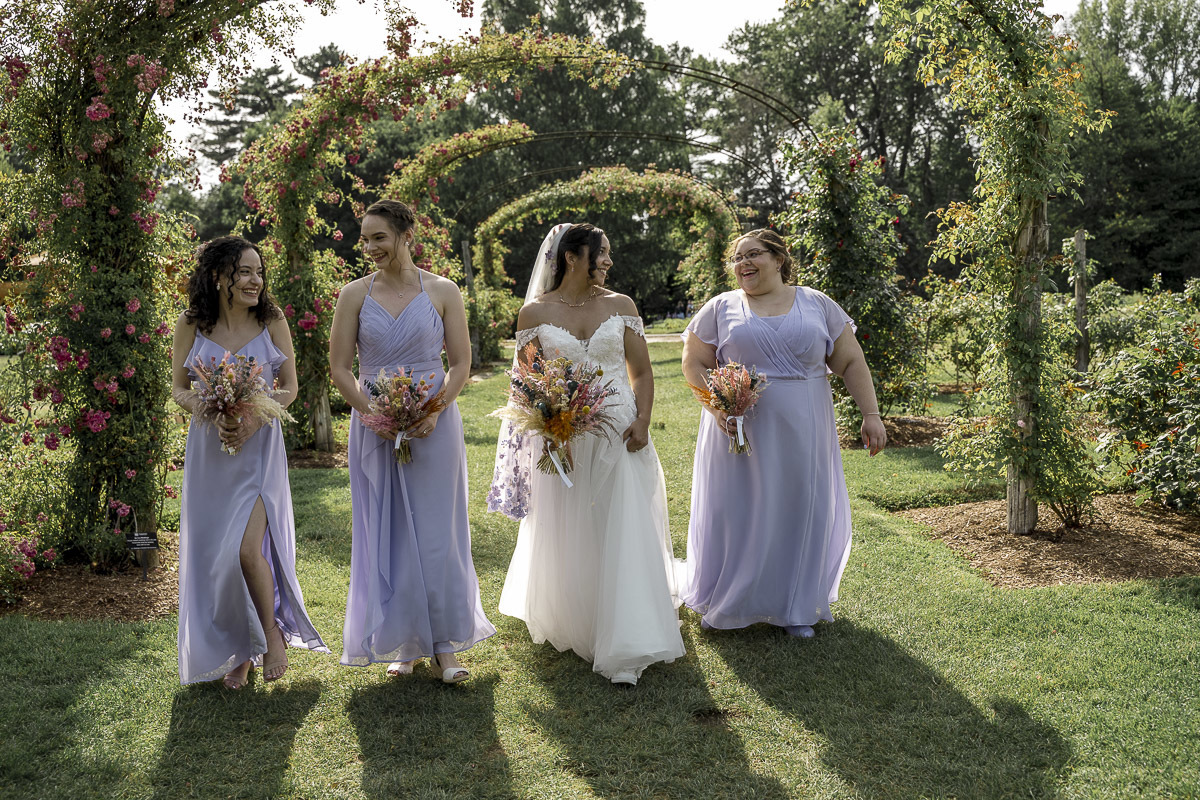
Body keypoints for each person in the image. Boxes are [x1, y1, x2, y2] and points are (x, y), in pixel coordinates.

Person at [488, 223, 685, 686]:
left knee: (624, 521)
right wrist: (550, 430)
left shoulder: (622, 306)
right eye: (603, 253)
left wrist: (643, 419)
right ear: (572, 256)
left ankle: (627, 632)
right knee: (573, 523)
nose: (609, 262)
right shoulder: (533, 313)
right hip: (564, 436)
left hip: (620, 430)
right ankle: (581, 616)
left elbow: (641, 372)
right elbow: (527, 383)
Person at [680, 229, 887, 637]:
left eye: (753, 255)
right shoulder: (721, 307)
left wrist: (872, 414)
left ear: (779, 259)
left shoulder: (817, 304)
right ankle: (729, 600)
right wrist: (717, 403)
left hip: (803, 427)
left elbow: (850, 361)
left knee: (799, 507)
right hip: (737, 430)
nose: (743, 265)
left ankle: (795, 606)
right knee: (737, 510)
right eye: (737, 259)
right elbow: (694, 362)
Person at [330, 199, 494, 683]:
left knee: (437, 533)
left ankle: (444, 645)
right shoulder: (353, 295)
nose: (370, 248)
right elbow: (340, 368)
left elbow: (461, 363)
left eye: (379, 237)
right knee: (390, 532)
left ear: (406, 235)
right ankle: (405, 642)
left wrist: (434, 410)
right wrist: (373, 414)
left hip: (435, 422)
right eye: (364, 239)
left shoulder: (443, 291)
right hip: (375, 424)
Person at [172, 236, 329, 688]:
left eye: (259, 272)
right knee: (218, 556)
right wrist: (211, 409)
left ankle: (272, 633)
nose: (255, 280)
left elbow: (290, 387)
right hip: (210, 452)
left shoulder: (272, 320)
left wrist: (253, 416)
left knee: (246, 549)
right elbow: (178, 387)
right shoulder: (191, 323)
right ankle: (239, 654)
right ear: (219, 275)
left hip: (259, 447)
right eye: (245, 271)